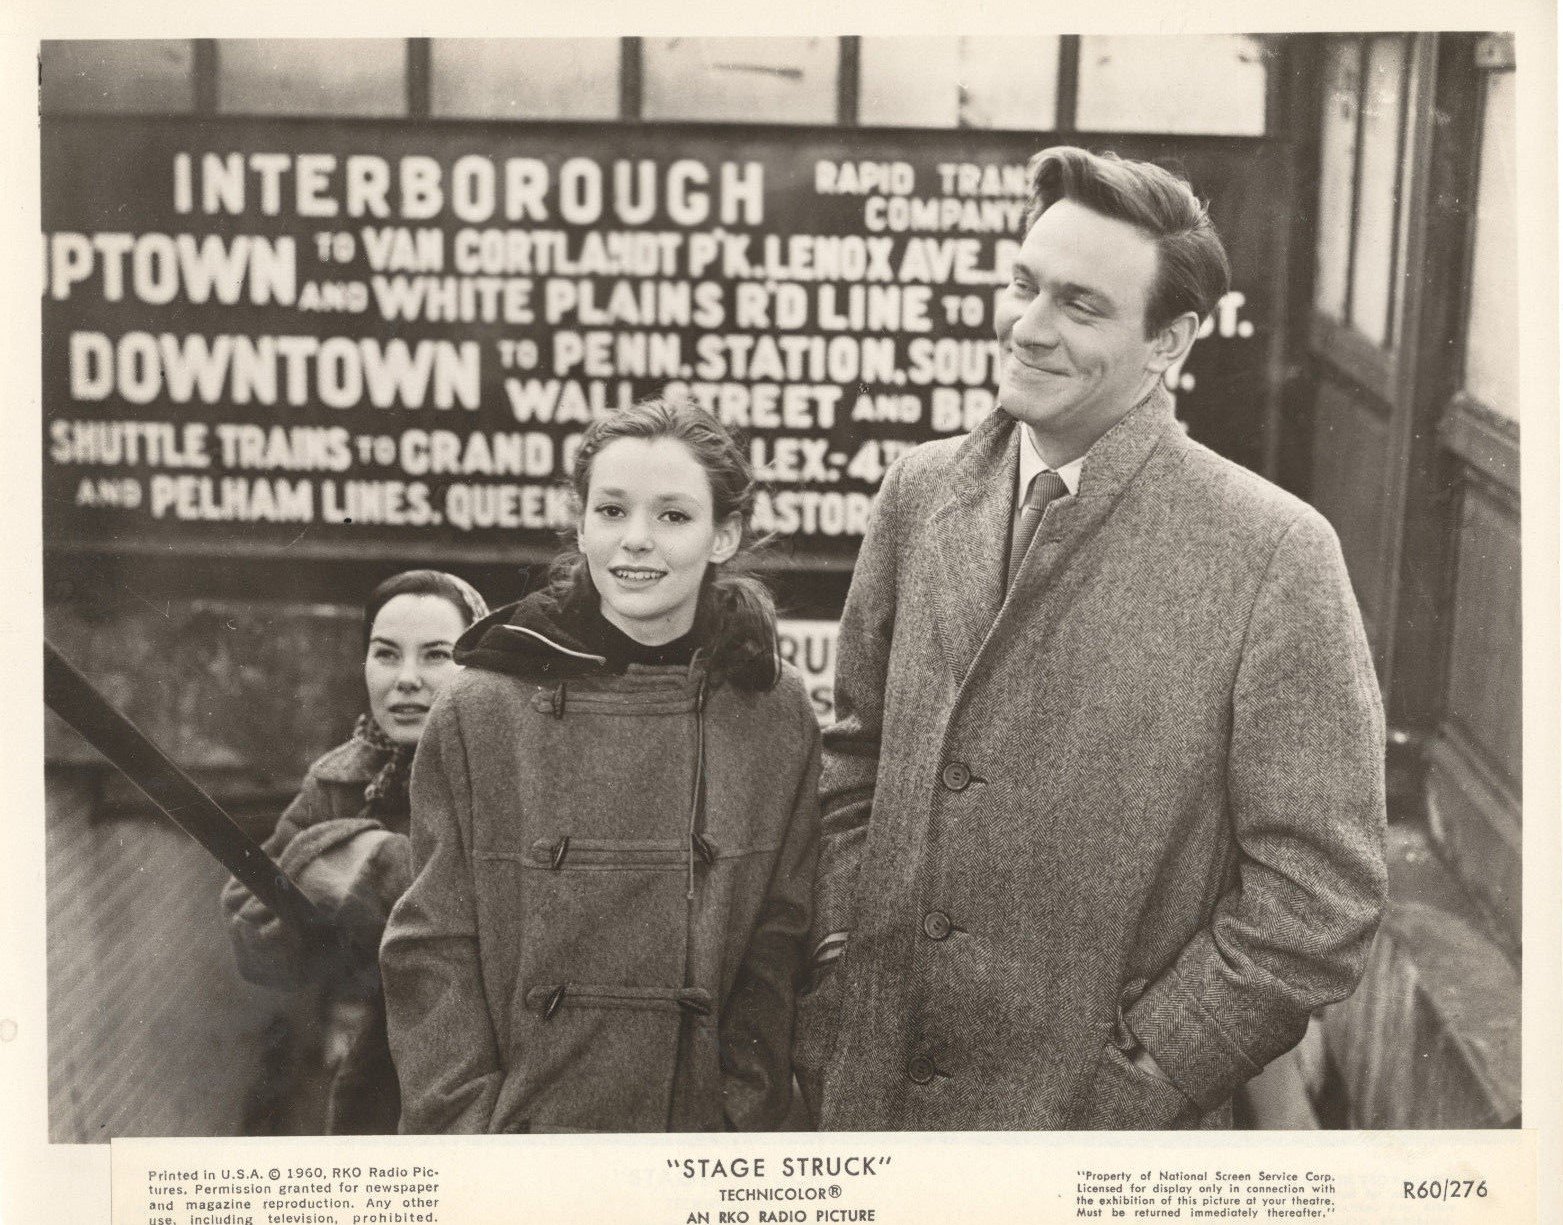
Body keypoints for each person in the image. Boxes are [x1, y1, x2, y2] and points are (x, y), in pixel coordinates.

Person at [794, 146, 1388, 1130]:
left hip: (1091, 1143)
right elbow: (854, 763)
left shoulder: (1276, 550)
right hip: (874, 1115)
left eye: (1080, 305)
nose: (1026, 327)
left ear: (1171, 341)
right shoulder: (922, 492)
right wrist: (836, 977)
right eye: (1023, 284)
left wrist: (1146, 1076)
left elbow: (1318, 900)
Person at [382, 397, 820, 1134]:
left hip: (696, 1153)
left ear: (725, 534)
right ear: (579, 522)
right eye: (611, 511)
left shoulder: (774, 714)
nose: (636, 542)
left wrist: (737, 1117)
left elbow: (779, 946)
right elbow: (432, 948)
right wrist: (471, 1134)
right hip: (526, 1148)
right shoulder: (482, 707)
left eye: (673, 516)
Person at [221, 569, 489, 1134]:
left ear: (477, 665)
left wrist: (371, 866)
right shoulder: (342, 778)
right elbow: (252, 930)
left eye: (436, 655)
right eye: (386, 654)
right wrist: (334, 888)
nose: (407, 679)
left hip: (503, 1057)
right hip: (387, 1064)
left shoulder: (516, 768)